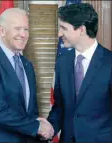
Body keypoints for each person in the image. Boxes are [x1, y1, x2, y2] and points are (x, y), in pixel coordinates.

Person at [0, 8, 54, 143]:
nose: (23, 34)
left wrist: (40, 131)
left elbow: (31, 111)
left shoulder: (27, 65)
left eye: (26, 29)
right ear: (2, 31)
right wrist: (37, 127)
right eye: (17, 28)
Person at [47, 3, 112, 143]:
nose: (59, 33)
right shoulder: (62, 62)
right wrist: (48, 128)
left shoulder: (109, 62)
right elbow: (59, 107)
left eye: (64, 28)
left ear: (81, 29)